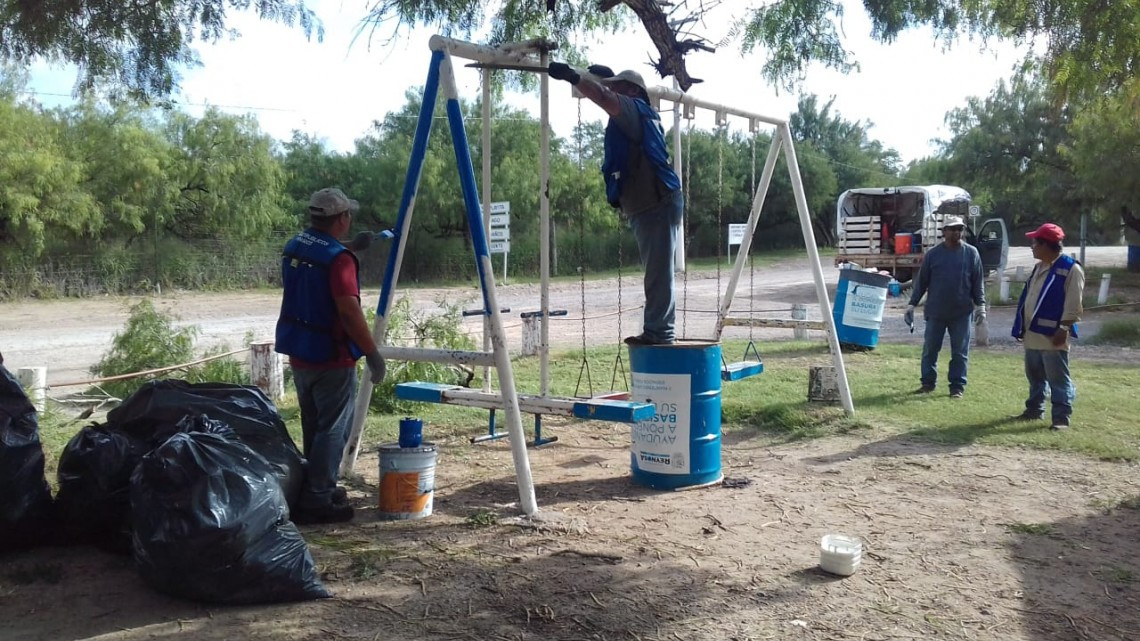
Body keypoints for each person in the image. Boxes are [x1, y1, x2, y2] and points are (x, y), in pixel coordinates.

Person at [548, 61, 684, 345]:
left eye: (618, 86)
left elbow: (605, 97)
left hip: (656, 201)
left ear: (633, 90)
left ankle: (660, 333)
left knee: (658, 273)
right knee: (657, 271)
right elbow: (606, 92)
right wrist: (596, 77)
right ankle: (658, 330)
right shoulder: (638, 113)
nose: (612, 91)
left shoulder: (634, 109)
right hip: (650, 202)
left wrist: (573, 77)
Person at [275, 187, 386, 524]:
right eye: (347, 215)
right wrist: (372, 353)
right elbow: (349, 312)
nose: (350, 219)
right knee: (333, 430)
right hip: (331, 356)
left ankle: (317, 484)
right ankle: (318, 499)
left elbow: (319, 254)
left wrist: (352, 246)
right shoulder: (340, 262)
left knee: (315, 424)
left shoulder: (296, 245)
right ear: (341, 219)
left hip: (300, 352)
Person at [1011, 223, 1084, 430]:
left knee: (1057, 378)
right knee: (1035, 376)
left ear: (1046, 245)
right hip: (1033, 334)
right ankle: (1034, 409)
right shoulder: (1039, 266)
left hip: (1053, 335)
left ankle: (1061, 417)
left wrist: (1064, 329)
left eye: (1035, 242)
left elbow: (1074, 304)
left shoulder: (1071, 269)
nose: (1032, 246)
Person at [904, 215, 986, 398]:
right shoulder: (933, 255)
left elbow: (977, 282)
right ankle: (927, 383)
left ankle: (957, 387)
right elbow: (922, 283)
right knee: (930, 350)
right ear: (944, 232)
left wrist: (981, 306)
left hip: (962, 312)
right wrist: (911, 305)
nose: (956, 232)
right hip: (936, 312)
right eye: (952, 229)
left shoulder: (971, 253)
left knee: (960, 352)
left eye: (960, 229)